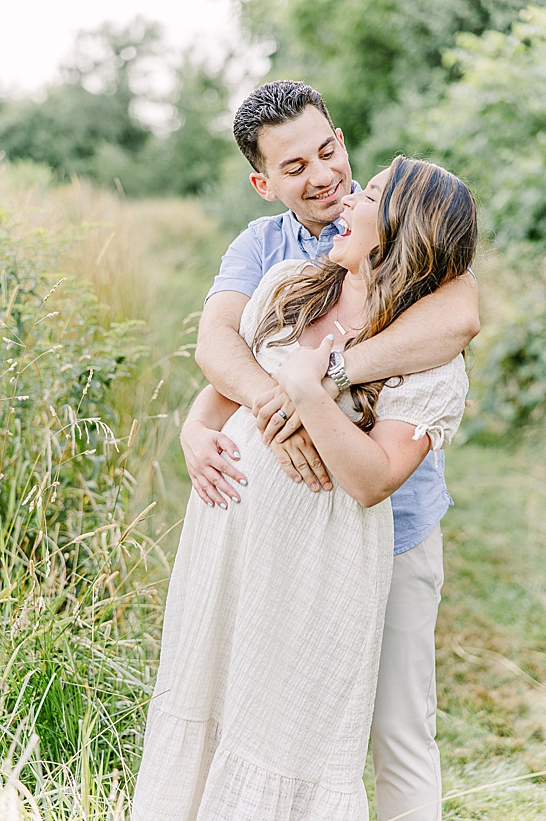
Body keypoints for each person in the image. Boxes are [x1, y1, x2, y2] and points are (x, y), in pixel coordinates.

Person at [131, 155, 476, 820]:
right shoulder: (287, 276)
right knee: (221, 699)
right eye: (294, 165)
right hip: (237, 535)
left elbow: (372, 478)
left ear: (405, 227)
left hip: (347, 557)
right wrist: (196, 430)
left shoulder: (426, 343)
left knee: (370, 730)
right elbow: (226, 374)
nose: (343, 196)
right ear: (264, 179)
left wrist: (309, 388)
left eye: (367, 193)